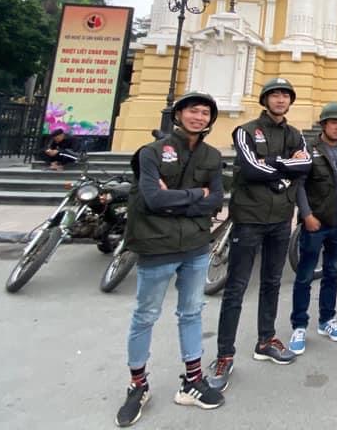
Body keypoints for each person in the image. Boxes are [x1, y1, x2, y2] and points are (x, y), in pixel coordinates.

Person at [115, 92, 225, 427]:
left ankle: (192, 381)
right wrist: (196, 195)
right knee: (145, 315)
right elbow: (152, 199)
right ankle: (137, 385)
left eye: (205, 113)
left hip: (195, 245)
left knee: (191, 312)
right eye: (193, 111)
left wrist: (177, 200)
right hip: (157, 245)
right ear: (178, 114)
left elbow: (216, 199)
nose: (199, 117)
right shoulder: (150, 152)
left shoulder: (211, 155)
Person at [209, 78, 312, 391]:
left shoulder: (296, 134)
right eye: (274, 95)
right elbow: (251, 168)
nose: (280, 100)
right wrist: (284, 168)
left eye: (285, 95)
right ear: (265, 100)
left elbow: (306, 165)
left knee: (272, 282)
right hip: (249, 218)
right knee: (236, 288)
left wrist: (273, 165)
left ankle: (266, 340)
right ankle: (224, 355)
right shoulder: (245, 131)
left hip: (281, 218)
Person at [288, 102, 337, 355]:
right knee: (305, 275)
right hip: (316, 223)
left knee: (332, 272)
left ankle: (327, 319)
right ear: (324, 125)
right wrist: (306, 215)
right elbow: (298, 185)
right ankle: (299, 325)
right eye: (334, 122)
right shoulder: (309, 149)